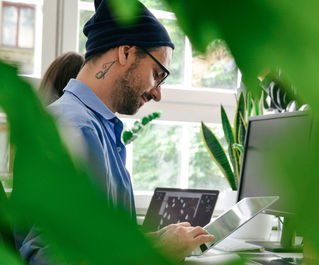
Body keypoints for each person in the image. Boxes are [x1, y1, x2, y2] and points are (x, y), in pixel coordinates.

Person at [18, 0, 214, 263]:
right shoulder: (75, 128)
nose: (157, 93)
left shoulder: (98, 128)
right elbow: (46, 256)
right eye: (157, 74)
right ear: (125, 53)